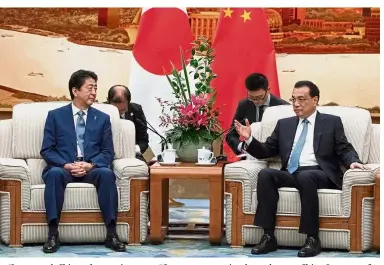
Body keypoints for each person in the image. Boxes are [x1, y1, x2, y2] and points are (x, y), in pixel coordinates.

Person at [234, 80, 367, 257]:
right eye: (293, 99)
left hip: (320, 173)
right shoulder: (284, 124)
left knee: (307, 177)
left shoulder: (331, 122)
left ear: (315, 100)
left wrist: (353, 162)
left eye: (302, 99)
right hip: (291, 172)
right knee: (266, 174)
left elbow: (344, 148)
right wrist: (249, 139)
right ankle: (268, 236)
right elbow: (267, 151)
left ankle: (312, 238)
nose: (296, 104)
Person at [40, 70, 125, 253]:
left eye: (95, 88)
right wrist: (66, 165)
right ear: (75, 91)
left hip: (91, 168)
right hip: (64, 168)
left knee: (107, 173)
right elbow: (47, 150)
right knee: (54, 173)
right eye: (89, 88)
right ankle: (53, 234)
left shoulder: (102, 119)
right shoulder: (55, 116)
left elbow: (108, 152)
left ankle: (112, 234)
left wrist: (90, 164)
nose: (94, 92)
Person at [226, 73, 288, 155]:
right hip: (251, 154)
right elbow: (231, 134)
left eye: (259, 97)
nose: (255, 101)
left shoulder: (283, 107)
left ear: (268, 90)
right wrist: (241, 146)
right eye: (251, 97)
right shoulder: (244, 105)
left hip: (274, 154)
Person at [106, 85, 149, 162]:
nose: (119, 113)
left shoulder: (136, 109)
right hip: (110, 150)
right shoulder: (101, 110)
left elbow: (144, 139)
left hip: (135, 148)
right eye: (115, 110)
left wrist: (134, 149)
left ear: (129, 102)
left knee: (152, 160)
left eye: (122, 110)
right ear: (108, 101)